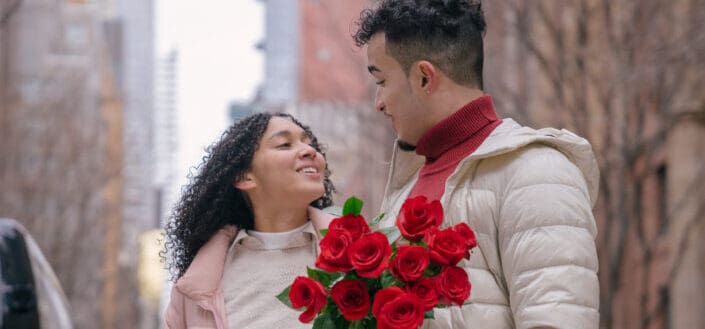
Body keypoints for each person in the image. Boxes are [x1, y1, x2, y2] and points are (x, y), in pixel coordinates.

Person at [354, 1, 600, 328]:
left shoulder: (537, 172)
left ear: (424, 77)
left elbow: (557, 320)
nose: (378, 103)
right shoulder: (407, 184)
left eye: (381, 81)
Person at [162, 112, 335, 329]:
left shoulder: (360, 252)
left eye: (310, 144)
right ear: (245, 177)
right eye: (284, 144)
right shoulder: (193, 291)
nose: (310, 151)